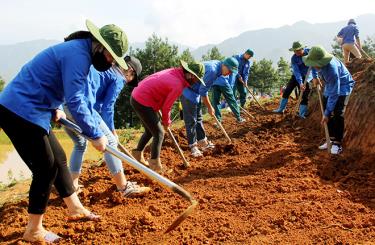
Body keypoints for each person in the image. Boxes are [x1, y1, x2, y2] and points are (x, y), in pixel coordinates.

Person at [0, 20, 128, 243]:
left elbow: (80, 94)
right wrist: (95, 134)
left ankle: (75, 208)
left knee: (58, 159)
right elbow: (76, 99)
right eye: (109, 56)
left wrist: (58, 109)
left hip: (36, 108)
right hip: (19, 109)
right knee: (46, 168)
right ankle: (34, 230)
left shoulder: (82, 53)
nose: (109, 62)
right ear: (99, 45)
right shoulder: (77, 55)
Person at [64, 56, 150, 197]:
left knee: (80, 144)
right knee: (110, 142)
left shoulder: (104, 70)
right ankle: (124, 188)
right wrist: (111, 131)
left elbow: (98, 103)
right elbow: (108, 108)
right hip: (81, 106)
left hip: (67, 105)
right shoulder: (118, 77)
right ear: (129, 71)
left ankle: (72, 185)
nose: (128, 80)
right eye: (131, 77)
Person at [131, 60, 205, 172]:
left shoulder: (175, 72)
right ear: (190, 74)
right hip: (143, 99)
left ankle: (137, 154)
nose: (196, 82)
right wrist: (167, 122)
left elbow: (163, 95)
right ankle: (155, 166)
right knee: (159, 133)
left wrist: (165, 119)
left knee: (150, 130)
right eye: (196, 79)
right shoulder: (178, 84)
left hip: (138, 95)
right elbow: (167, 107)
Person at [303, 46, 355, 154]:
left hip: (343, 86)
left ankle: (337, 143)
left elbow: (335, 93)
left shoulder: (332, 70)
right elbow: (311, 65)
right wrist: (315, 77)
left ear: (322, 62)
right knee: (327, 107)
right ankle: (330, 139)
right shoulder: (315, 61)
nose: (314, 65)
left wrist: (326, 113)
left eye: (316, 63)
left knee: (337, 113)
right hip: (330, 85)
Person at [273, 41, 318, 118]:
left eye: (298, 50)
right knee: (287, 90)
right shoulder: (294, 58)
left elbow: (314, 66)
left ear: (302, 48)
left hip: (307, 76)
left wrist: (315, 77)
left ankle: (301, 114)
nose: (296, 52)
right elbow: (296, 71)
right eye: (294, 51)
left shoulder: (310, 53)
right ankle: (281, 109)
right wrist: (300, 83)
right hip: (296, 76)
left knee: (304, 95)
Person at [207, 57, 245, 123]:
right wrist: (230, 90)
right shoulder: (227, 68)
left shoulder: (220, 64)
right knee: (231, 100)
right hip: (224, 83)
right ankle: (239, 118)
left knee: (216, 102)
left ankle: (218, 120)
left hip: (215, 83)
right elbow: (231, 80)